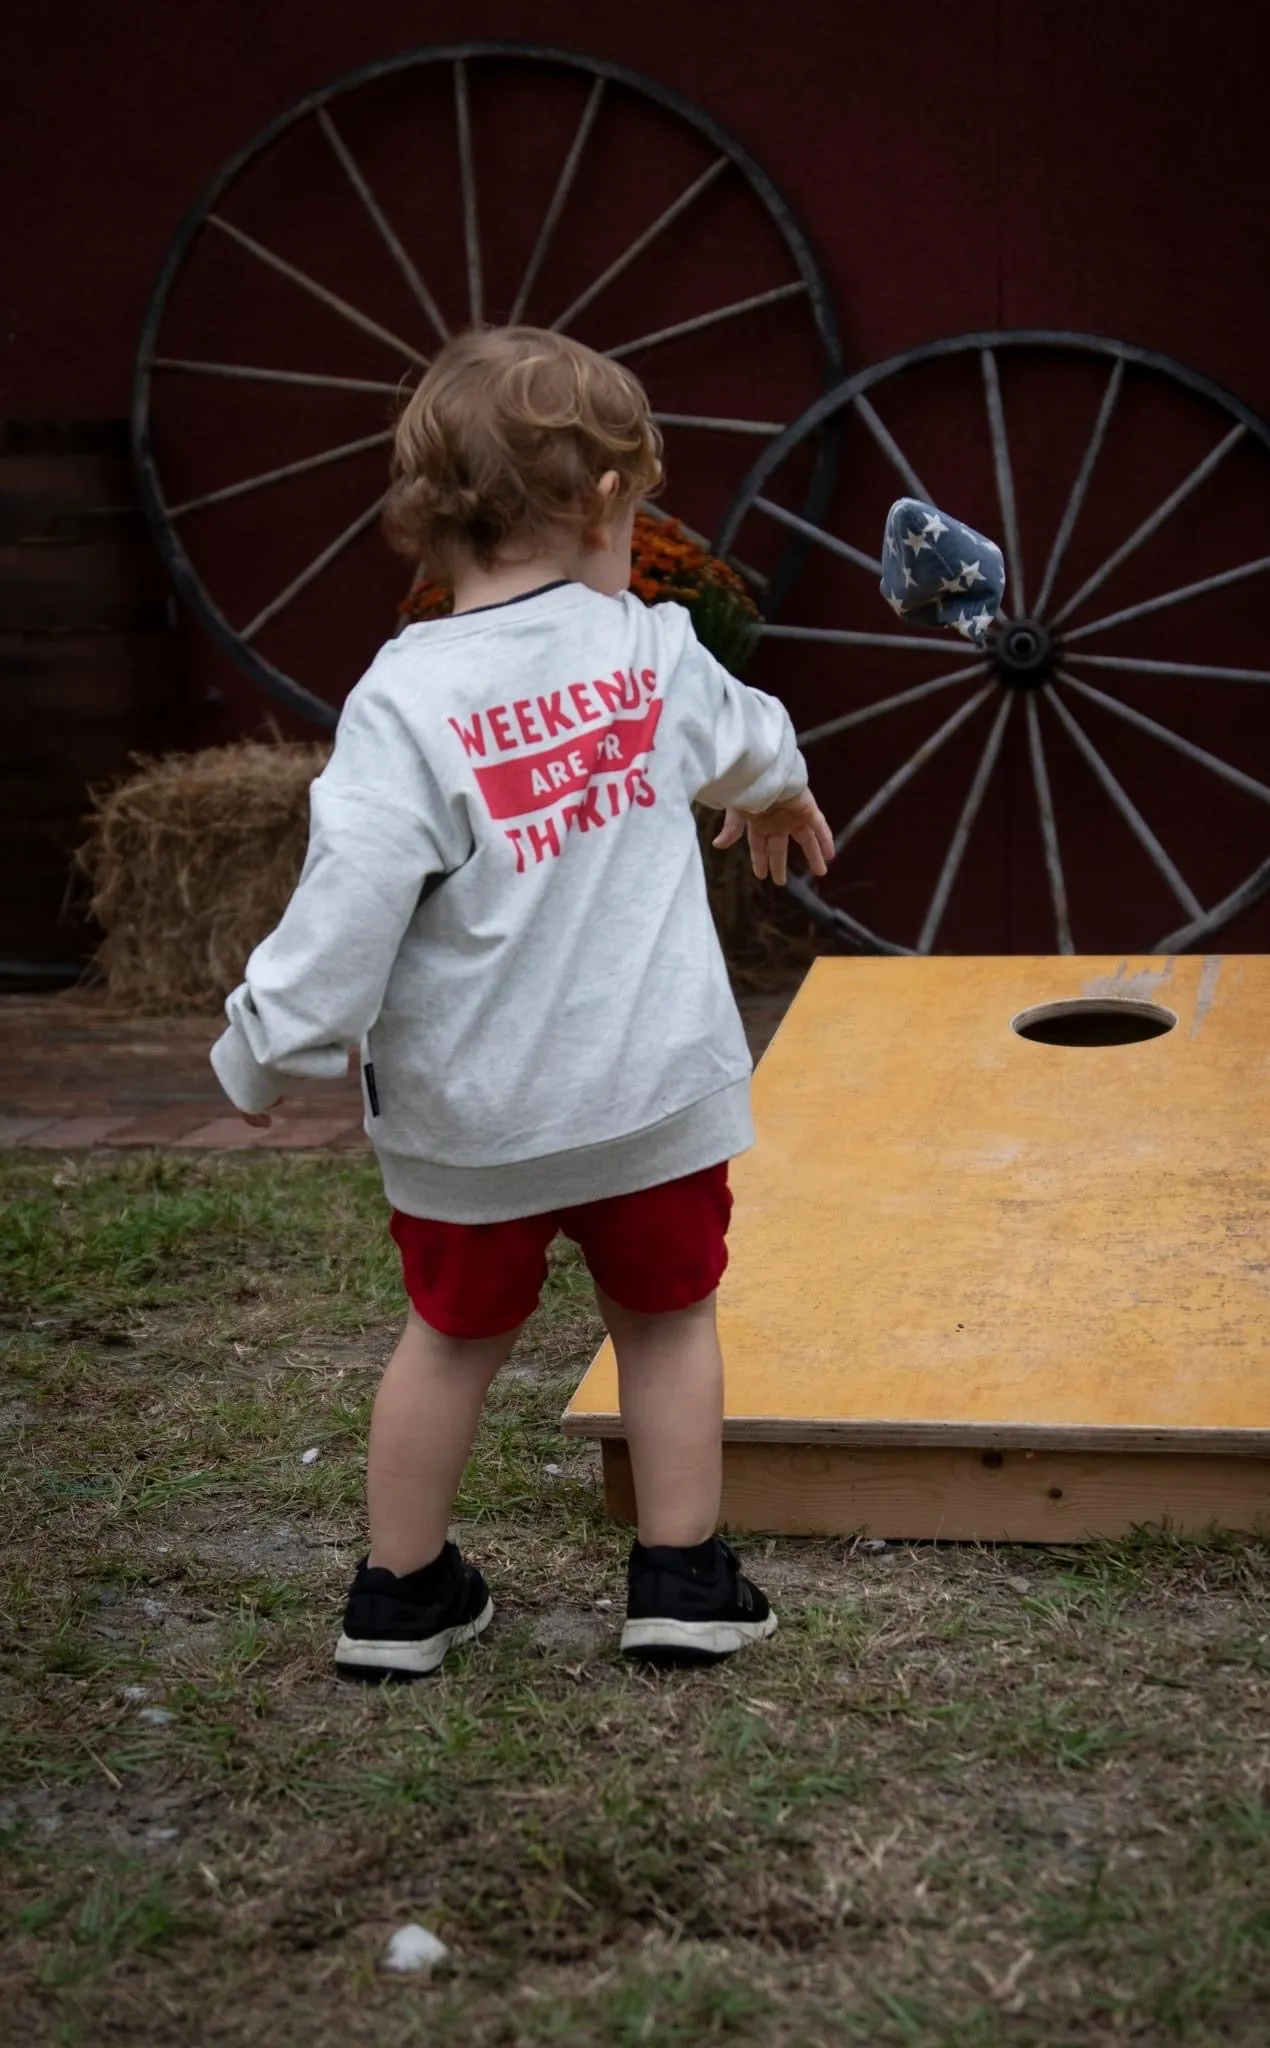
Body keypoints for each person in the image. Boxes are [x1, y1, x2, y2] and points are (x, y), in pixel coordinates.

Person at [209, 326, 833, 1679]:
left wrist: (267, 1045)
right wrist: (777, 789)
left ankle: (400, 1599)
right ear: (609, 502)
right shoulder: (650, 652)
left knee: (449, 1339)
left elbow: (347, 906)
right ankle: (681, 1581)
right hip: (650, 1098)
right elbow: (754, 734)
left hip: (469, 1126)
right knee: (666, 1324)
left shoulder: (403, 700)